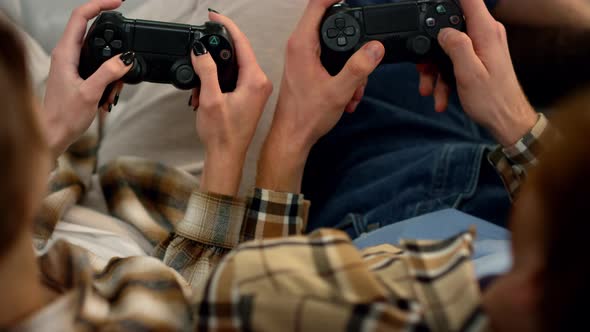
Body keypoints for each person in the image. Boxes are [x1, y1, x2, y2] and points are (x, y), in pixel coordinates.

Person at [0, 0, 586, 332]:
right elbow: (244, 298)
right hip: (441, 182)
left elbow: (251, 291)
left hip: (402, 176)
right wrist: (512, 120)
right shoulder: (519, 292)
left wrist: (46, 135)